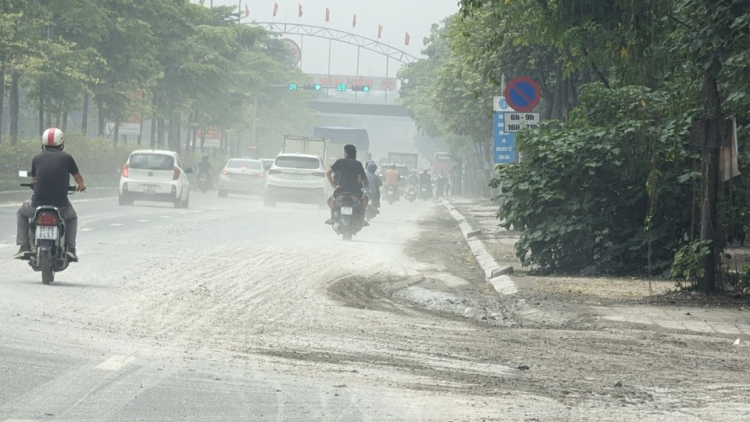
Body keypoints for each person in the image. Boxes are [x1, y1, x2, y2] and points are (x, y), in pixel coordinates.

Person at [15, 128, 86, 261]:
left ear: (43, 143)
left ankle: (24, 246)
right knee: (72, 218)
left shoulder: (36, 158)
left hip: (37, 205)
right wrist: (81, 186)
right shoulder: (67, 158)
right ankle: (71, 249)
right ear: (61, 143)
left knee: (21, 212)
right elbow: (78, 177)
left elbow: (34, 180)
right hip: (61, 206)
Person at [325, 144, 369, 225]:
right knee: (364, 199)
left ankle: (332, 218)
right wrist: (366, 185)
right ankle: (362, 220)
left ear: (346, 153)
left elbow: (328, 172)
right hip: (355, 191)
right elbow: (366, 181)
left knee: (332, 199)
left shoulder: (340, 162)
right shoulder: (358, 164)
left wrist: (333, 185)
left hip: (341, 190)